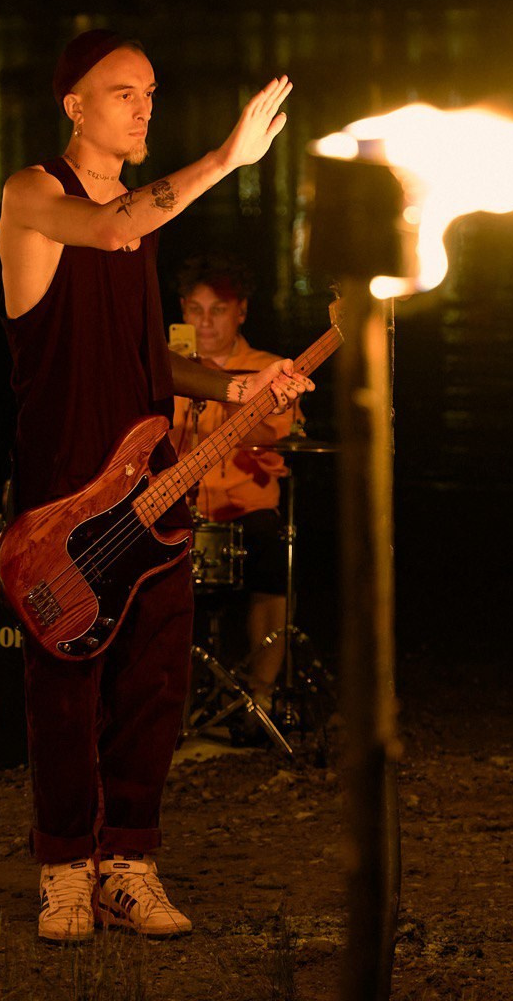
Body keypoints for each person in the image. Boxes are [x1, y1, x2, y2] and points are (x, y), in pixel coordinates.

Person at [0, 28, 313, 945]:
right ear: (75, 105)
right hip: (66, 487)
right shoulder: (34, 195)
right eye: (123, 92)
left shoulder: (139, 221)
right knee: (65, 681)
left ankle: (129, 866)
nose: (142, 106)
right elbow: (115, 226)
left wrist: (236, 385)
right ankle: (63, 869)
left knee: (154, 683)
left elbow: (153, 364)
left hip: (156, 482)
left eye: (149, 91)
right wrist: (226, 158)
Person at [169, 255, 299, 717]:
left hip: (245, 509)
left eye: (218, 309)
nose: (205, 321)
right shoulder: (165, 367)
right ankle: (164, 701)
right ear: (182, 309)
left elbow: (269, 434)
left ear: (241, 311)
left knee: (270, 556)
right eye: (196, 309)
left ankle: (258, 696)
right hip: (176, 506)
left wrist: (215, 381)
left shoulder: (270, 369)